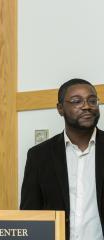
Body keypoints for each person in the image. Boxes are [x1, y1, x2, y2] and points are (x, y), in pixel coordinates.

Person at [20, 78, 104, 240]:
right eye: (76, 101)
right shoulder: (39, 156)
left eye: (92, 100)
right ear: (60, 109)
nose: (87, 106)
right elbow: (29, 214)